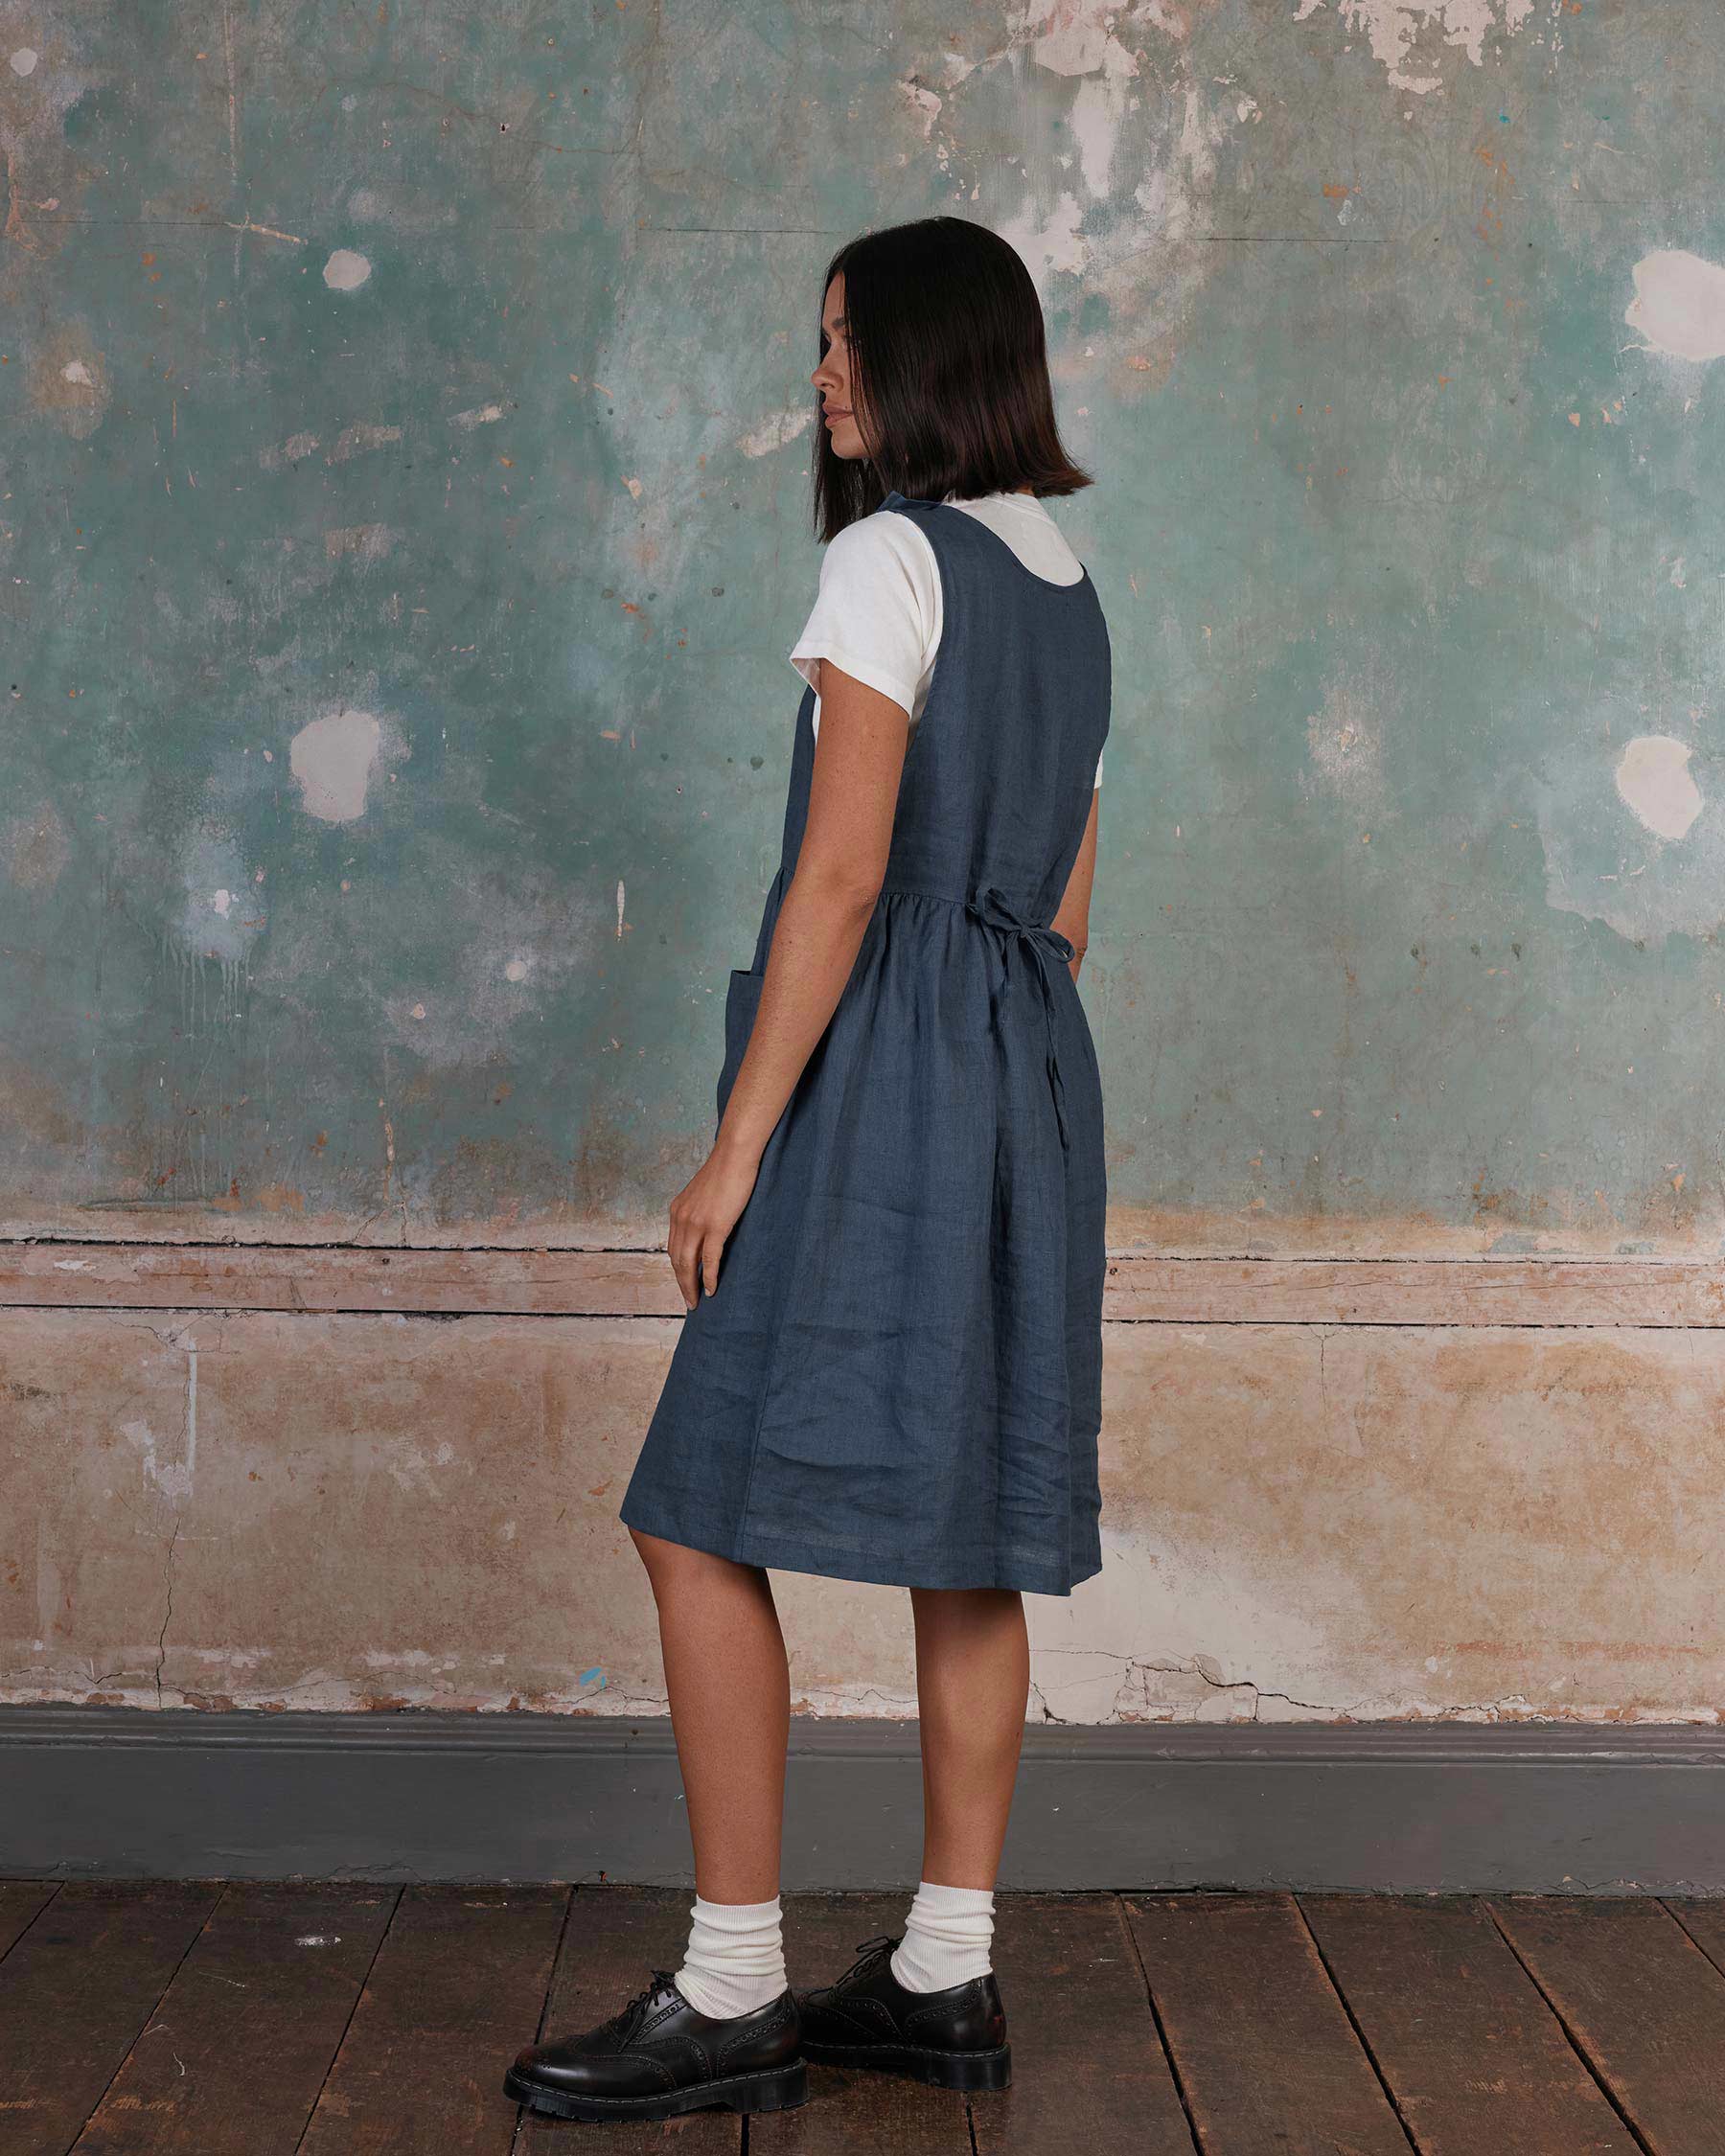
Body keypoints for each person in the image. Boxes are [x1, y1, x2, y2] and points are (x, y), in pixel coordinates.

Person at [504, 215, 1112, 2126]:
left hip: (886, 1069)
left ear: (933, 357)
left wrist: (739, 1145)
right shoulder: (1067, 575)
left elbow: (842, 875)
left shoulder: (889, 558)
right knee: (973, 1532)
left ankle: (738, 1975)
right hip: (1028, 1063)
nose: (821, 382)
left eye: (845, 345)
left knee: (695, 1509)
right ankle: (946, 1971)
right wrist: (984, 1045)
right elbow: (1074, 903)